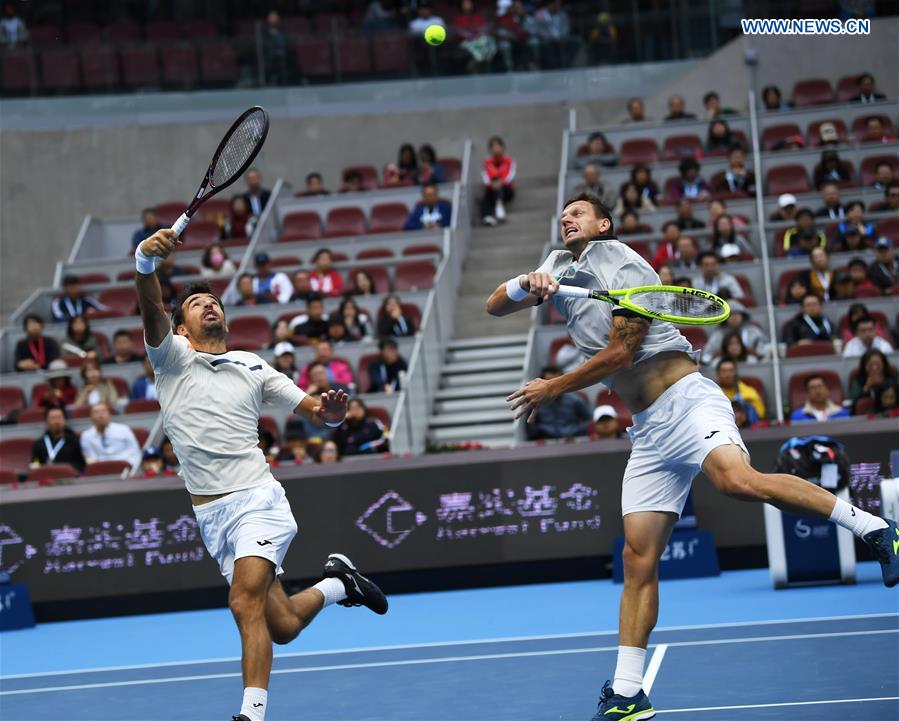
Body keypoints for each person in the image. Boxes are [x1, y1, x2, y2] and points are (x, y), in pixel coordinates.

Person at [486, 191, 899, 718]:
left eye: (578, 212)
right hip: (649, 429)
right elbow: (494, 304)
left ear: (604, 223)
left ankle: (876, 529)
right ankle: (628, 693)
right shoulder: (558, 265)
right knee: (638, 557)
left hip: (686, 400)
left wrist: (553, 387)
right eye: (562, 213)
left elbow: (621, 352)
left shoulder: (625, 263)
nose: (566, 217)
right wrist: (527, 283)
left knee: (737, 481)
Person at [134, 231, 387, 721]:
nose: (208, 305)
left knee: (242, 599)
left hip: (257, 501)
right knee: (284, 624)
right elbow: (149, 308)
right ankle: (339, 584)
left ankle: (252, 715)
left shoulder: (253, 366)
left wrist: (331, 412)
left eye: (214, 301)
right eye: (196, 303)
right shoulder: (170, 359)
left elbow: (315, 411)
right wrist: (144, 260)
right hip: (212, 516)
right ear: (180, 327)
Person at [522, 365, 591, 440]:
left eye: (556, 382)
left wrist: (575, 431)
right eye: (549, 384)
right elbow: (530, 426)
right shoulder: (535, 403)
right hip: (546, 442)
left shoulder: (575, 400)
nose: (552, 387)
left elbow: (589, 421)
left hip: (572, 440)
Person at [701, 301, 768, 365]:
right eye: (731, 314)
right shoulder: (718, 335)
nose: (734, 317)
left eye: (737, 313)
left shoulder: (753, 331)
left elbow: (764, 350)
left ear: (743, 315)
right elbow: (707, 355)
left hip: (749, 363)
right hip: (724, 365)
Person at [79, 402, 142, 467]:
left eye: (103, 411)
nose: (100, 415)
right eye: (96, 412)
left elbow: (135, 451)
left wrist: (130, 469)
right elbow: (90, 457)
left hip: (125, 466)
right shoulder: (86, 436)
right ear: (91, 417)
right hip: (102, 469)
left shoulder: (123, 429)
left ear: (109, 414)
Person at [30, 407, 85, 473]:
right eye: (53, 418)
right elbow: (35, 463)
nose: (57, 421)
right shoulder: (39, 444)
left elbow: (81, 464)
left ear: (64, 420)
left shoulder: (75, 441)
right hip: (47, 478)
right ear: (46, 422)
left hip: (70, 478)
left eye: (59, 417)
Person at [481, 136, 516, 226]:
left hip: (506, 190)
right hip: (492, 189)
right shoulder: (487, 162)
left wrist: (501, 182)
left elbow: (511, 175)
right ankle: (488, 216)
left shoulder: (509, 161)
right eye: (493, 146)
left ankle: (499, 206)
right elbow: (485, 177)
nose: (496, 149)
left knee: (498, 184)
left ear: (502, 147)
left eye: (498, 146)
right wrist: (491, 184)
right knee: (486, 197)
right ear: (490, 149)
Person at [261, 10, 288, 85]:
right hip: (268, 56)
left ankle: (283, 84)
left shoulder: (282, 29)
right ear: (268, 19)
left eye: (275, 17)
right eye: (272, 17)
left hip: (280, 57)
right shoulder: (264, 31)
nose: (273, 19)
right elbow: (264, 44)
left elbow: (284, 42)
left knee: (282, 64)